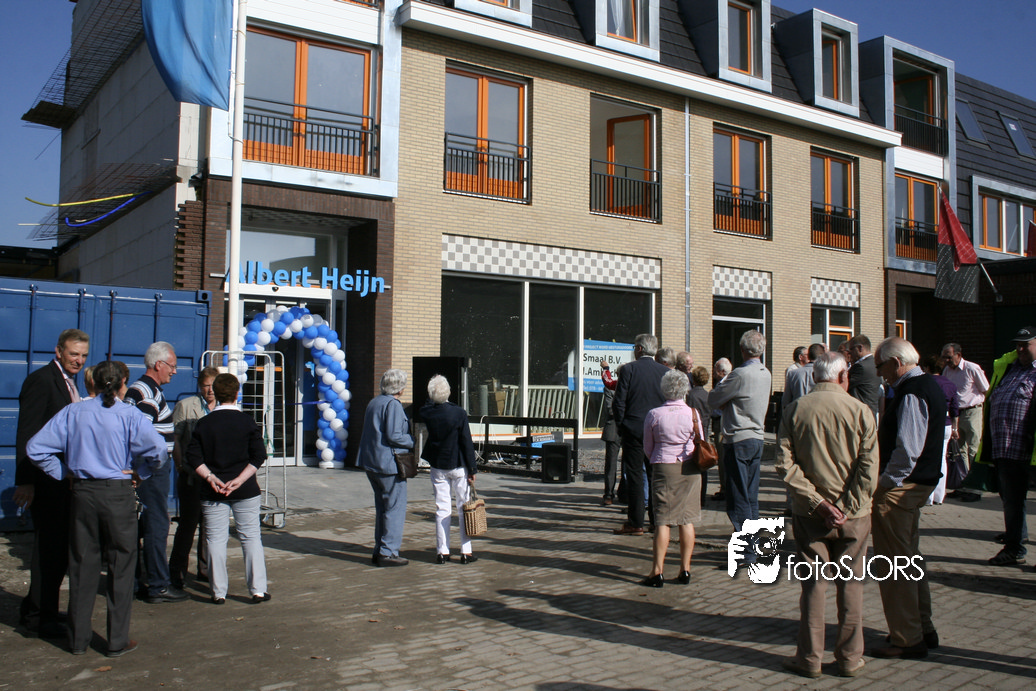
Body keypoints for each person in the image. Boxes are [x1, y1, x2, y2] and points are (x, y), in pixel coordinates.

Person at [27, 360, 167, 657]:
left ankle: (77, 640)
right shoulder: (129, 414)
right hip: (117, 492)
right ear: (121, 384)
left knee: (82, 564)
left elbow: (35, 448)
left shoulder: (73, 412)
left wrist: (63, 471)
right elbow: (158, 450)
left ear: (92, 382)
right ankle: (116, 640)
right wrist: (142, 472)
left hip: (82, 493)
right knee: (122, 565)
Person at [775, 352, 878, 679]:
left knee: (813, 587)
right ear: (843, 376)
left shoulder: (795, 410)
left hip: (811, 514)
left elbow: (784, 464)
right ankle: (849, 657)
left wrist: (818, 503)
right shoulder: (861, 411)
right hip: (853, 516)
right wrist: (845, 507)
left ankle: (809, 658)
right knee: (851, 586)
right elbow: (869, 468)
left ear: (814, 376)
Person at [869, 337, 945, 660]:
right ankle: (921, 627)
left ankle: (907, 637)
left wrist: (884, 484)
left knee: (895, 564)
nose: (880, 373)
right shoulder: (925, 386)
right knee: (911, 559)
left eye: (881, 366)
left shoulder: (913, 391)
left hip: (902, 489)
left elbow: (908, 451)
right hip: (916, 486)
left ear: (896, 363)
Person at [13, 328, 89, 638]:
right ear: (58, 351)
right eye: (73, 354)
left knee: (58, 550)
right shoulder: (42, 381)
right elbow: (27, 432)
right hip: (45, 480)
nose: (79, 361)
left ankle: (41, 609)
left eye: (83, 356)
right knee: (48, 549)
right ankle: (38, 618)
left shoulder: (69, 382)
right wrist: (26, 482)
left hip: (62, 481)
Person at [185, 373, 270, 604]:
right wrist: (240, 480)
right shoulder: (247, 422)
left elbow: (193, 456)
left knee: (215, 540)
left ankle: (218, 592)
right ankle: (257, 589)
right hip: (245, 490)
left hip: (213, 490)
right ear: (237, 393)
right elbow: (259, 455)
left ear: (215, 392)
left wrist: (210, 477)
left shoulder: (204, 423)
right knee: (251, 538)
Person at [125, 341, 188, 603]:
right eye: (171, 366)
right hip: (151, 471)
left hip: (149, 470)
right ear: (158, 364)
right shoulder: (147, 394)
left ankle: (138, 581)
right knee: (156, 525)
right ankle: (158, 585)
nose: (174, 371)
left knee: (145, 525)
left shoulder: (140, 390)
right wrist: (145, 469)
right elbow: (141, 436)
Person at [639, 370, 704, 588]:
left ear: (664, 389)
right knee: (686, 518)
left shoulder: (654, 414)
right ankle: (685, 569)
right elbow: (700, 439)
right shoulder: (693, 413)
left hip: (664, 466)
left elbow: (648, 446)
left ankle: (657, 571)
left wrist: (659, 457)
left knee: (663, 519)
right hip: (690, 467)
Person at [978, 326, 1036, 567]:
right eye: (1018, 345)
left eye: (1026, 344)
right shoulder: (1008, 369)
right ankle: (1014, 548)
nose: (1020, 349)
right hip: (1007, 450)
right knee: (1012, 502)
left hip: (1032, 451)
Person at [708, 330, 771, 531]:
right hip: (757, 437)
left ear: (742, 349)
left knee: (737, 497)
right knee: (751, 496)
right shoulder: (766, 373)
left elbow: (713, 399)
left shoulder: (740, 374)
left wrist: (727, 400)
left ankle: (746, 544)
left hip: (738, 438)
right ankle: (752, 542)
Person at [356, 369, 415, 566]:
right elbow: (394, 435)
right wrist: (412, 440)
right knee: (394, 508)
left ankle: (380, 549)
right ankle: (388, 552)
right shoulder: (393, 405)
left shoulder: (375, 402)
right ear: (400, 387)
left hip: (372, 462)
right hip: (389, 465)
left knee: (382, 509)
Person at [612, 334, 669, 535]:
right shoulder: (664, 372)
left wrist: (622, 425)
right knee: (655, 475)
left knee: (635, 475)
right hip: (657, 430)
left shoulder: (629, 369)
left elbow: (619, 401)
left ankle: (636, 522)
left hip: (634, 429)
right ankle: (656, 520)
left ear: (639, 349)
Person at [169, 366, 219, 589]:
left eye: (213, 386)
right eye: (206, 386)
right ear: (200, 386)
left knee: (209, 527)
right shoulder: (186, 406)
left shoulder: (222, 408)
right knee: (188, 526)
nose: (210, 390)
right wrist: (180, 465)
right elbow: (176, 439)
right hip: (190, 476)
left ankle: (205, 570)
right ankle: (177, 571)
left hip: (213, 478)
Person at [420, 375, 478, 564]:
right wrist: (472, 468)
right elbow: (466, 441)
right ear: (449, 392)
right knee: (463, 508)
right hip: (458, 464)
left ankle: (442, 551)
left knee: (442, 508)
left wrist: (433, 395)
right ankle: (466, 551)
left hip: (438, 464)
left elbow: (426, 405)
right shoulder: (458, 413)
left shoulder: (427, 412)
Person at [941, 342, 989, 502]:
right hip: (956, 413)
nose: (946, 361)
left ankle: (975, 488)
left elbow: (985, 389)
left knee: (973, 449)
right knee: (959, 450)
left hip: (972, 411)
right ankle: (963, 485)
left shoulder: (972, 368)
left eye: (949, 357)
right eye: (944, 357)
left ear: (958, 355)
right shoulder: (947, 370)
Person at [921, 355, 959, 506]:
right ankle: (939, 495)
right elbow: (955, 409)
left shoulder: (925, 383)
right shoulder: (950, 384)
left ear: (927, 368)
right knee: (942, 458)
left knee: (928, 458)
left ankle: (928, 496)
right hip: (947, 424)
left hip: (930, 423)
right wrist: (955, 428)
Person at [686, 366, 712, 503]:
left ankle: (693, 496)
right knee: (703, 460)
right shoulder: (708, 395)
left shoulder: (690, 395)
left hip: (694, 430)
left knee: (693, 461)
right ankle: (702, 496)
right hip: (705, 429)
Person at [710, 358, 732, 502]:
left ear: (722, 371)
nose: (713, 372)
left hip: (722, 423)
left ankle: (725, 488)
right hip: (720, 422)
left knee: (723, 458)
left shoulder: (725, 384)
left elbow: (718, 404)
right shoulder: (723, 383)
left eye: (716, 369)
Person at [600, 359, 621, 506]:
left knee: (630, 464)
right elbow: (610, 408)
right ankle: (608, 494)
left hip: (629, 428)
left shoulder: (633, 387)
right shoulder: (612, 387)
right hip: (614, 427)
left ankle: (626, 493)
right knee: (611, 463)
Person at [847, 335, 883, 417]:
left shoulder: (860, 367)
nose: (849, 353)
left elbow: (845, 385)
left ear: (860, 348)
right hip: (871, 412)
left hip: (860, 413)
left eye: (851, 349)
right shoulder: (875, 363)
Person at [783, 343, 825, 408]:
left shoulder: (793, 373)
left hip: (797, 410)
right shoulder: (824, 373)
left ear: (809, 356)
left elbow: (786, 399)